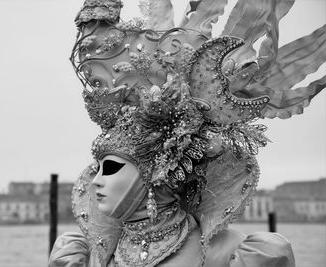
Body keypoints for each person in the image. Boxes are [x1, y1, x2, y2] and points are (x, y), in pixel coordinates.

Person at [49, 0, 325, 266]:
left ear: (157, 168)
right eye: (97, 169)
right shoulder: (90, 257)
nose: (95, 181)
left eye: (109, 168)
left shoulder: (227, 255)